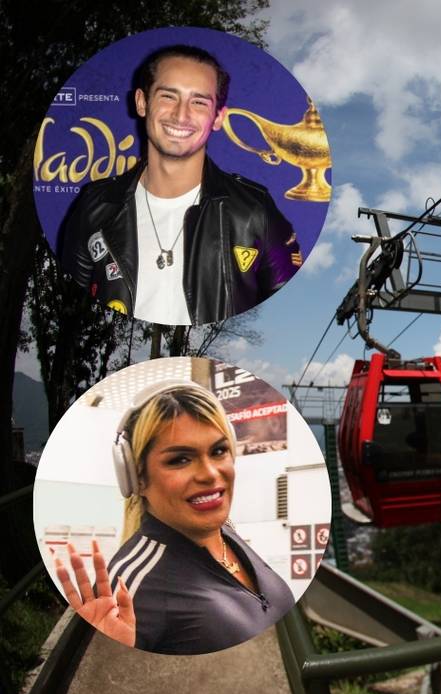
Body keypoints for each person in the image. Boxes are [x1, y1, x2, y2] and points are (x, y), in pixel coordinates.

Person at [58, 44, 303, 325]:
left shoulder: (255, 212)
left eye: (199, 102)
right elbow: (72, 316)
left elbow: (285, 319)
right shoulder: (95, 206)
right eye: (168, 96)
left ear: (218, 117)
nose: (181, 115)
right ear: (142, 102)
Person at [51, 381, 294, 654]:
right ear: (136, 477)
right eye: (180, 459)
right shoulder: (130, 583)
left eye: (218, 451)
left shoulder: (225, 533)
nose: (210, 474)